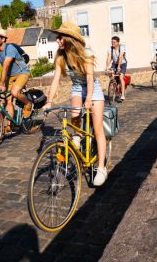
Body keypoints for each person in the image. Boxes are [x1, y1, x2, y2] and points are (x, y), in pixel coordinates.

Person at [42, 21, 108, 186]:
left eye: (60, 37)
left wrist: (89, 98)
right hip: (78, 87)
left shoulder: (86, 53)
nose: (57, 40)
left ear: (69, 39)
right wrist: (49, 101)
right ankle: (77, 136)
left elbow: (90, 78)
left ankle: (101, 168)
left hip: (93, 88)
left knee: (98, 128)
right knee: (74, 115)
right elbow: (56, 79)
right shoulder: (61, 55)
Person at [105, 36, 127, 101]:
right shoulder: (110, 49)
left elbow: (120, 57)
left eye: (114, 42)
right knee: (110, 74)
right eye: (112, 42)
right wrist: (107, 67)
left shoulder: (121, 48)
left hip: (122, 64)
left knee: (120, 77)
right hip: (114, 64)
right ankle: (114, 85)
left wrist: (119, 67)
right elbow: (108, 58)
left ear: (118, 42)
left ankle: (122, 95)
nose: (112, 43)